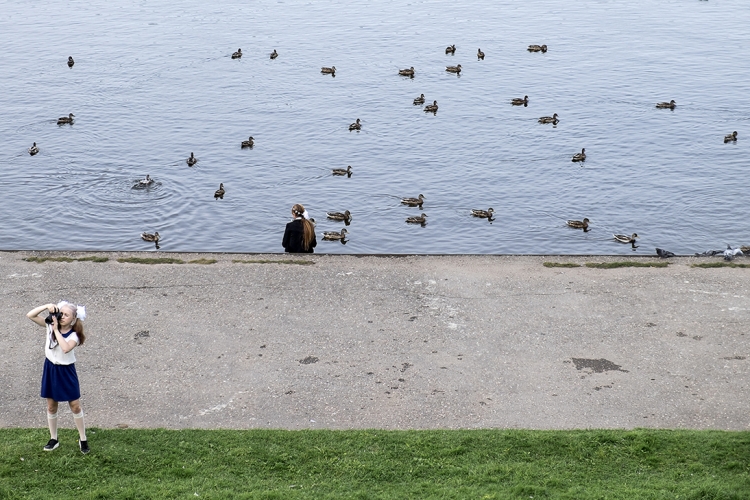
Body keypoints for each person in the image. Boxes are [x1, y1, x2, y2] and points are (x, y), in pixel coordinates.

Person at [26, 301, 89, 454]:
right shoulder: (50, 325)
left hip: (66, 371)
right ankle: (53, 438)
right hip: (51, 368)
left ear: (73, 319)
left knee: (75, 405)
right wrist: (46, 306)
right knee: (51, 406)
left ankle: (83, 438)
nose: (62, 317)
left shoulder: (74, 335)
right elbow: (30, 315)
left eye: (66, 315)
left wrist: (56, 330)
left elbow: (66, 348)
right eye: (61, 313)